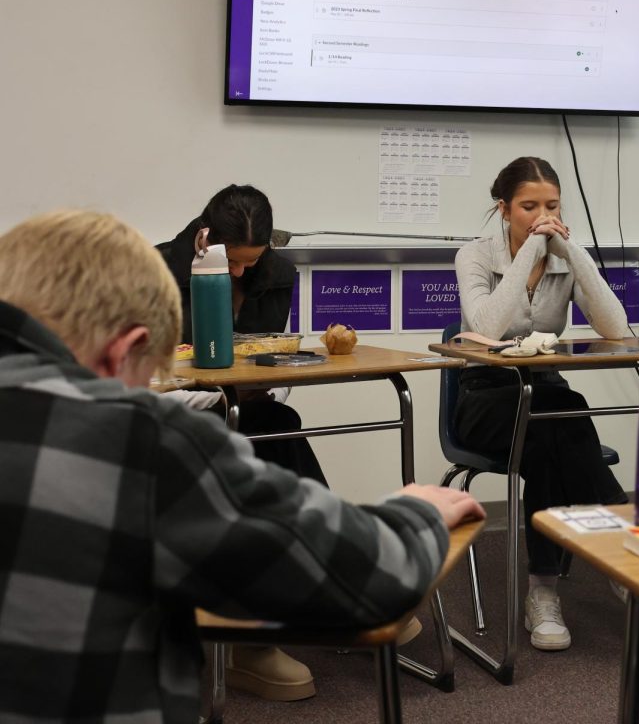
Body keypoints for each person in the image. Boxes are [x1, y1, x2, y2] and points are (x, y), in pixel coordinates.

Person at [0, 209, 484, 722]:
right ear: (125, 351)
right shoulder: (141, 443)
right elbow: (370, 580)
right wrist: (416, 512)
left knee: (275, 419)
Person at [454, 156, 631, 651]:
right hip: (484, 397)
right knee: (560, 416)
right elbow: (485, 328)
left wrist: (572, 252)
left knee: (549, 431)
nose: (542, 216)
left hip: (544, 400)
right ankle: (622, 546)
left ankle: (543, 593)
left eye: (551, 206)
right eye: (529, 207)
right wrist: (530, 249)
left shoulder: (563, 256)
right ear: (504, 209)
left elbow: (615, 328)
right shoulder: (473, 255)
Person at [157, 184, 327, 486]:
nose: (239, 272)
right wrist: (221, 400)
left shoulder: (277, 276)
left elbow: (281, 358)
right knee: (276, 425)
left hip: (250, 410)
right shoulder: (159, 273)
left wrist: (267, 392)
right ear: (205, 240)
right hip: (179, 413)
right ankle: (319, 523)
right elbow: (144, 383)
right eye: (231, 261)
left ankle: (306, 522)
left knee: (275, 421)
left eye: (251, 262)